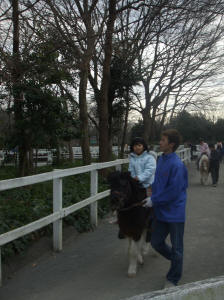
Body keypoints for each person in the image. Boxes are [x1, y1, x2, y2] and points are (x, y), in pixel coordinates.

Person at [143, 129, 188, 288]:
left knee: (177, 248)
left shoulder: (177, 165)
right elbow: (159, 181)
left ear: (171, 144)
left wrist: (154, 199)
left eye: (163, 140)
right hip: (161, 211)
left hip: (175, 212)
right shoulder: (161, 160)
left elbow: (174, 191)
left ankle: (173, 278)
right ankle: (177, 261)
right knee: (156, 242)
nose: (159, 142)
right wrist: (151, 188)